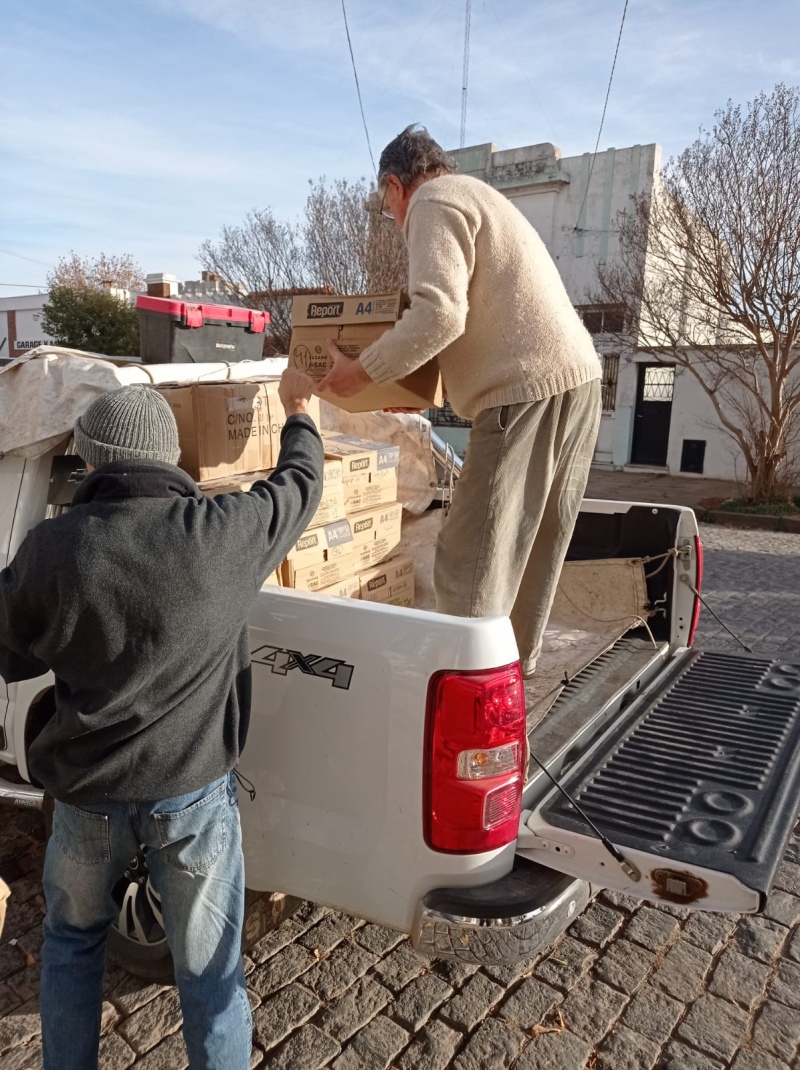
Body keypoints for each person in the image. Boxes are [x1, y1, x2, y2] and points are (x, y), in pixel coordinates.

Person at [0, 371, 323, 1070]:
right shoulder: (224, 532)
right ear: (170, 458)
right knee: (210, 979)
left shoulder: (53, 551)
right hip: (193, 801)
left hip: (85, 804)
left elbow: (7, 651)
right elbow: (300, 485)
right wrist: (299, 412)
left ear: (91, 461)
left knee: (72, 947)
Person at [320, 124, 602, 675]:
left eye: (386, 206)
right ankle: (509, 692)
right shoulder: (480, 195)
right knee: (528, 560)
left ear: (395, 186)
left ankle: (464, 702)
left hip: (525, 395)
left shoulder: (433, 200)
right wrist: (424, 394)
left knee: (469, 560)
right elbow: (488, 318)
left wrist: (362, 373)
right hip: (577, 383)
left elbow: (440, 314)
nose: (393, 218)